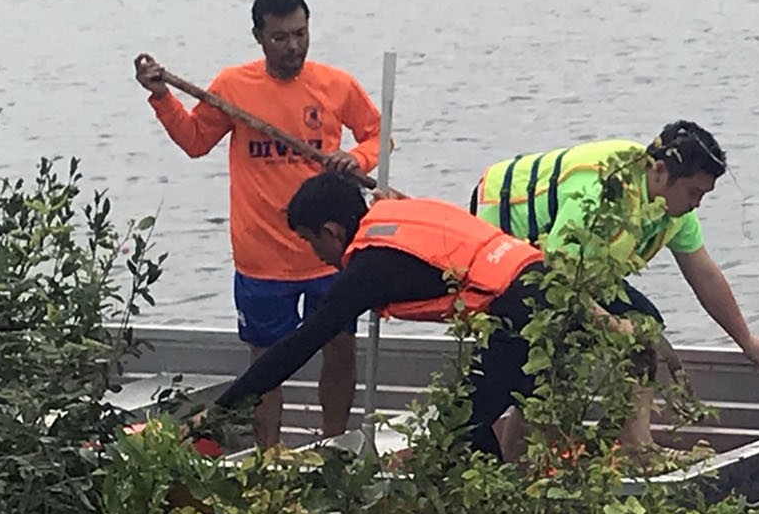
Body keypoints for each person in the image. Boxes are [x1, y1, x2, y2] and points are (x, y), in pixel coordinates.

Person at [133, 0, 382, 448]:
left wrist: (358, 160)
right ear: (259, 37)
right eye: (280, 37)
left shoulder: (336, 84)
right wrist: (162, 97)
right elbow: (194, 141)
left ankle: (334, 447)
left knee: (342, 348)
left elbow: (375, 134)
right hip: (262, 256)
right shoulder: (234, 87)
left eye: (301, 34)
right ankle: (269, 460)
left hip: (330, 253)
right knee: (266, 364)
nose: (293, 47)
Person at [202, 175, 590, 459]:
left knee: (457, 429)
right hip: (555, 289)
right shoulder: (394, 212)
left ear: (332, 231)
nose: (314, 254)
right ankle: (514, 499)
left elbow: (295, 349)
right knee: (499, 411)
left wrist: (219, 411)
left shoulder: (368, 270)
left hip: (525, 317)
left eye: (310, 241)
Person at [470, 123, 759, 451]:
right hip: (506, 244)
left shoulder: (673, 210)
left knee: (643, 324)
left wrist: (745, 340)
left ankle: (637, 446)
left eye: (703, 195)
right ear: (660, 172)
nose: (697, 204)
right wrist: (609, 322)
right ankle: (491, 449)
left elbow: (705, 275)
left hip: (571, 264)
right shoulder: (599, 193)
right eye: (694, 193)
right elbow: (557, 274)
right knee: (527, 355)